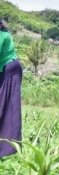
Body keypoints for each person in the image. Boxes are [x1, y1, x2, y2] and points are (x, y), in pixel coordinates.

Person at [0, 19, 23, 158]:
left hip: (10, 70)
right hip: (3, 69)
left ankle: (8, 146)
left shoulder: (1, 34)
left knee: (6, 105)